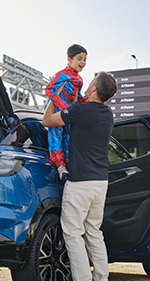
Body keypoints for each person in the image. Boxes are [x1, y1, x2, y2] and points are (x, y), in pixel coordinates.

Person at [42, 71, 118, 281]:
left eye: (91, 82)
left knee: (73, 233)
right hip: (100, 182)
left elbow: (47, 121)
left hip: (80, 182)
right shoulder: (107, 114)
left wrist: (53, 95)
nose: (87, 85)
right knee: (94, 232)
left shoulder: (80, 111)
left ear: (94, 88)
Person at [45, 44, 90, 180]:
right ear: (69, 59)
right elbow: (49, 90)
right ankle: (60, 166)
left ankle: (68, 166)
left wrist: (87, 100)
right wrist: (64, 106)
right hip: (57, 112)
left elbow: (77, 97)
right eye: (79, 59)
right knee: (56, 136)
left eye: (85, 59)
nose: (83, 62)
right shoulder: (61, 75)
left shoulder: (80, 80)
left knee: (68, 138)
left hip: (69, 114)